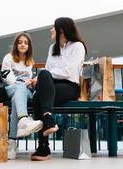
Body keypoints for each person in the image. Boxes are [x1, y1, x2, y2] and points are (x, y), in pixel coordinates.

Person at [30, 17, 87, 161]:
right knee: (40, 87)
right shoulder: (52, 48)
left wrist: (41, 77)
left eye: (53, 27)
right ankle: (48, 118)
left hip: (70, 87)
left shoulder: (78, 46)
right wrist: (43, 76)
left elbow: (68, 72)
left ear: (61, 30)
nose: (50, 30)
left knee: (39, 92)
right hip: (51, 86)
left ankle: (43, 147)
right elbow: (48, 70)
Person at [2, 32, 43, 160]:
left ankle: (12, 142)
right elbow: (6, 77)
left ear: (29, 46)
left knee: (17, 99)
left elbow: (28, 80)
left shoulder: (29, 61)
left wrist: (31, 82)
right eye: (20, 42)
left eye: (26, 43)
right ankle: (24, 120)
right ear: (16, 44)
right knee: (18, 88)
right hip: (11, 88)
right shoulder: (8, 58)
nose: (23, 45)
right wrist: (21, 83)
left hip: (25, 92)